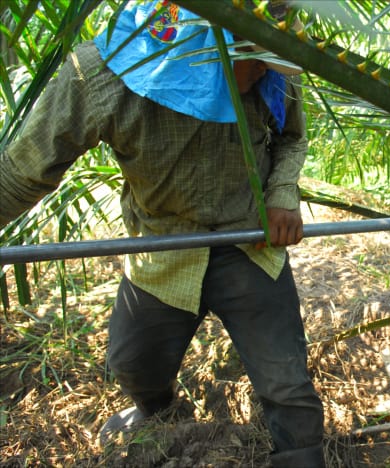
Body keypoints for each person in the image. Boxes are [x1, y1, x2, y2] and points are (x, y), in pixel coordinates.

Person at [0, 2, 325, 466]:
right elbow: (22, 173)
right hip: (162, 246)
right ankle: (160, 414)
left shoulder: (271, 61)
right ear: (198, 49)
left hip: (248, 243)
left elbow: (291, 138)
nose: (264, 70)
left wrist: (282, 193)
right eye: (250, 57)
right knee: (134, 364)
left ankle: (302, 457)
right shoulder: (108, 75)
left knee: (287, 385)